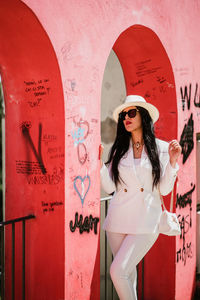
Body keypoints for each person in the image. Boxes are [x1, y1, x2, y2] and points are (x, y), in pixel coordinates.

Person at [99, 95, 182, 300]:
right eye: (124, 114)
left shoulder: (162, 148)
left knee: (117, 272)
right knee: (127, 275)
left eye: (132, 112)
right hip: (117, 222)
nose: (126, 117)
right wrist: (99, 164)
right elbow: (110, 187)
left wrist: (172, 163)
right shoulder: (119, 149)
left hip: (146, 223)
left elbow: (163, 190)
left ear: (143, 116)